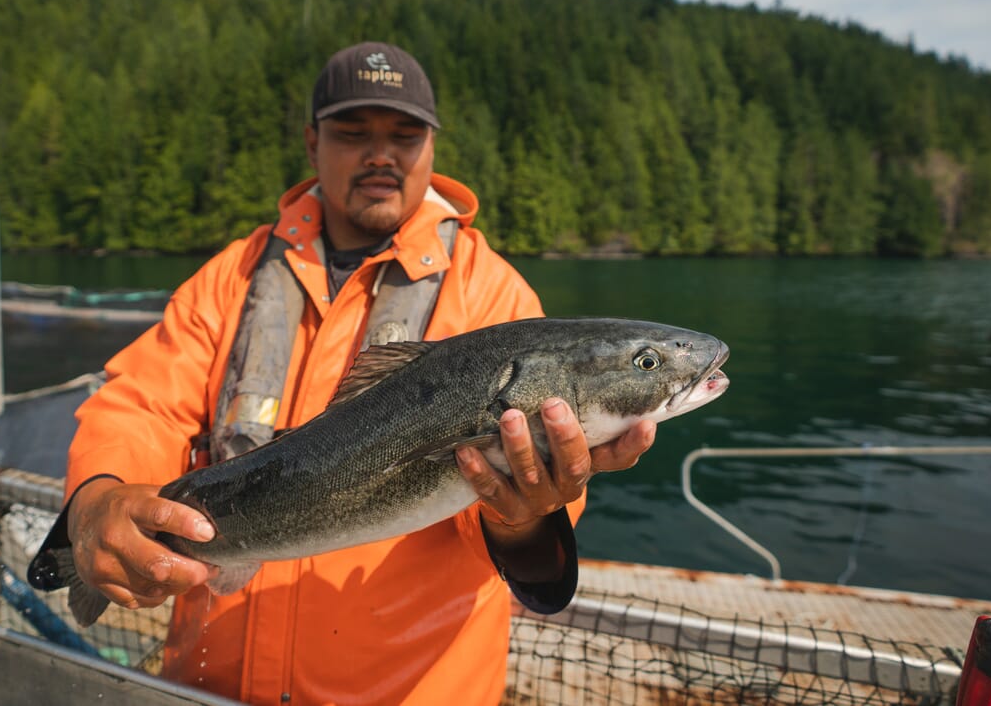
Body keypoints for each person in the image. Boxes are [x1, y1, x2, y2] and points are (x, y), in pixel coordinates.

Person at [33, 42, 655, 705]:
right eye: (354, 133)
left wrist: (524, 517)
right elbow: (141, 405)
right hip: (207, 683)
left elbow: (523, 542)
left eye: (404, 136)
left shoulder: (496, 298)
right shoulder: (231, 276)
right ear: (313, 143)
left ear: (432, 146)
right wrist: (98, 499)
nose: (380, 155)